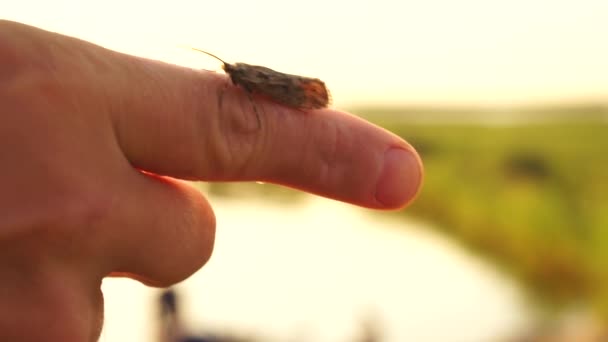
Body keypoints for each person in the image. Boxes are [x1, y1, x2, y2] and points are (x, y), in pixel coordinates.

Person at [0, 20, 423, 342]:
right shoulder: (237, 80)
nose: (229, 77)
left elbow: (260, 87)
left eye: (229, 74)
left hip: (284, 86)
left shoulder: (246, 80)